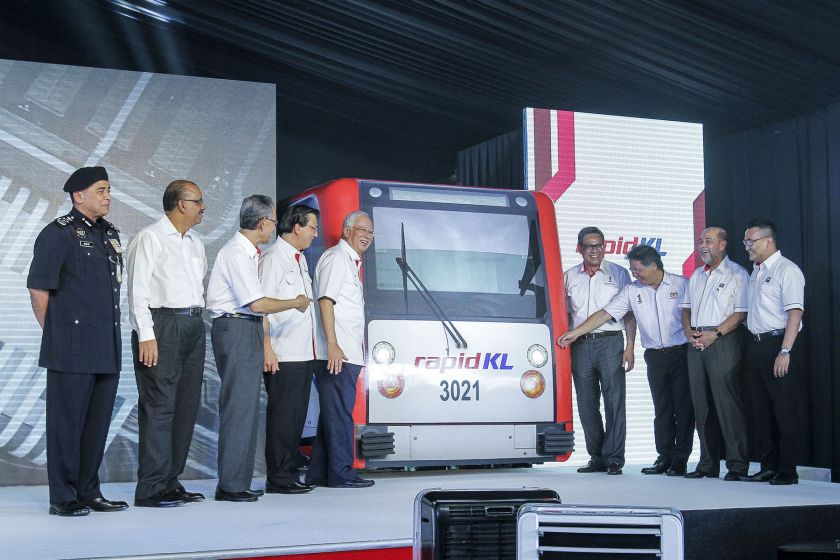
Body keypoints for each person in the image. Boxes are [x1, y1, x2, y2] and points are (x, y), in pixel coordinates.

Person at [27, 166, 129, 516]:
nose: (107, 196)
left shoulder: (109, 233)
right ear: (78, 195)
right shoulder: (59, 234)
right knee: (66, 425)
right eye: (100, 190)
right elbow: (39, 288)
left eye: (109, 189)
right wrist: (57, 334)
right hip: (71, 347)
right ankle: (64, 497)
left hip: (106, 345)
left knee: (97, 424)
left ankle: (89, 490)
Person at [206, 195, 311, 502]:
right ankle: (230, 485)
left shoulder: (250, 253)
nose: (274, 228)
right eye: (273, 222)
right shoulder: (238, 253)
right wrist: (295, 301)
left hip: (245, 326)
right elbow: (257, 303)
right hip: (236, 325)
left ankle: (237, 481)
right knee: (239, 407)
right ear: (264, 222)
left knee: (247, 408)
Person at [559, 244, 694, 476]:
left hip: (681, 352)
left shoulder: (682, 284)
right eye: (632, 270)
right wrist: (576, 332)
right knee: (661, 408)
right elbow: (605, 314)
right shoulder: (633, 290)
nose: (634, 274)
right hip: (654, 356)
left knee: (683, 408)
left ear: (653, 266)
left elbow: (694, 314)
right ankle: (664, 457)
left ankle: (680, 459)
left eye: (637, 270)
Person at [127, 180, 208, 507]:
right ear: (180, 204)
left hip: (193, 324)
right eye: (199, 201)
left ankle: (171, 480)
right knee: (159, 406)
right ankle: (150, 488)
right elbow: (137, 292)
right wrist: (146, 333)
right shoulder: (150, 237)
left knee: (186, 406)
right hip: (162, 325)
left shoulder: (196, 243)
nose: (203, 207)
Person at [308, 211, 375, 488]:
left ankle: (322, 472)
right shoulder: (337, 259)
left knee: (333, 413)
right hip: (337, 353)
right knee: (339, 415)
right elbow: (326, 301)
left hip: (346, 351)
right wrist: (333, 345)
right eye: (362, 230)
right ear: (347, 230)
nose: (367, 237)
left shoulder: (349, 262)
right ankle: (341, 473)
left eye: (370, 233)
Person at [678, 227, 750, 481]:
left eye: (708, 241)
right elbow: (685, 309)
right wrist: (689, 333)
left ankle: (737, 465)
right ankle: (707, 463)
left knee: (727, 404)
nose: (702, 246)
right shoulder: (697, 275)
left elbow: (740, 313)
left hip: (723, 339)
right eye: (700, 241)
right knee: (702, 405)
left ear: (722, 245)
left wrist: (715, 334)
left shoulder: (737, 274)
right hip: (696, 340)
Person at [564, 227, 636, 476]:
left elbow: (628, 313)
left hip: (611, 342)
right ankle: (596, 457)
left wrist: (630, 347)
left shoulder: (619, 273)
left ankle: (614, 458)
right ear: (579, 248)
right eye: (589, 246)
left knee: (615, 402)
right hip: (580, 345)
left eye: (599, 245)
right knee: (586, 404)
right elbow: (564, 314)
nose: (595, 250)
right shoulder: (569, 276)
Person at [259, 204, 320, 494]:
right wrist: (267, 348)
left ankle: (289, 472)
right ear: (296, 227)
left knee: (295, 418)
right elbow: (261, 308)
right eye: (312, 228)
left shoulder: (298, 259)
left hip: (302, 352)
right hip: (282, 353)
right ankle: (278, 477)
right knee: (282, 418)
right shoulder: (273, 258)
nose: (315, 234)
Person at [740, 219, 805, 485]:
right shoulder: (756, 271)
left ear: (768, 241)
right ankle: (768, 466)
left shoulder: (786, 270)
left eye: (751, 242)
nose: (747, 247)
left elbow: (795, 313)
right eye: (745, 242)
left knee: (784, 411)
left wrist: (785, 351)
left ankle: (788, 471)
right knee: (761, 411)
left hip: (778, 345)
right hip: (755, 345)